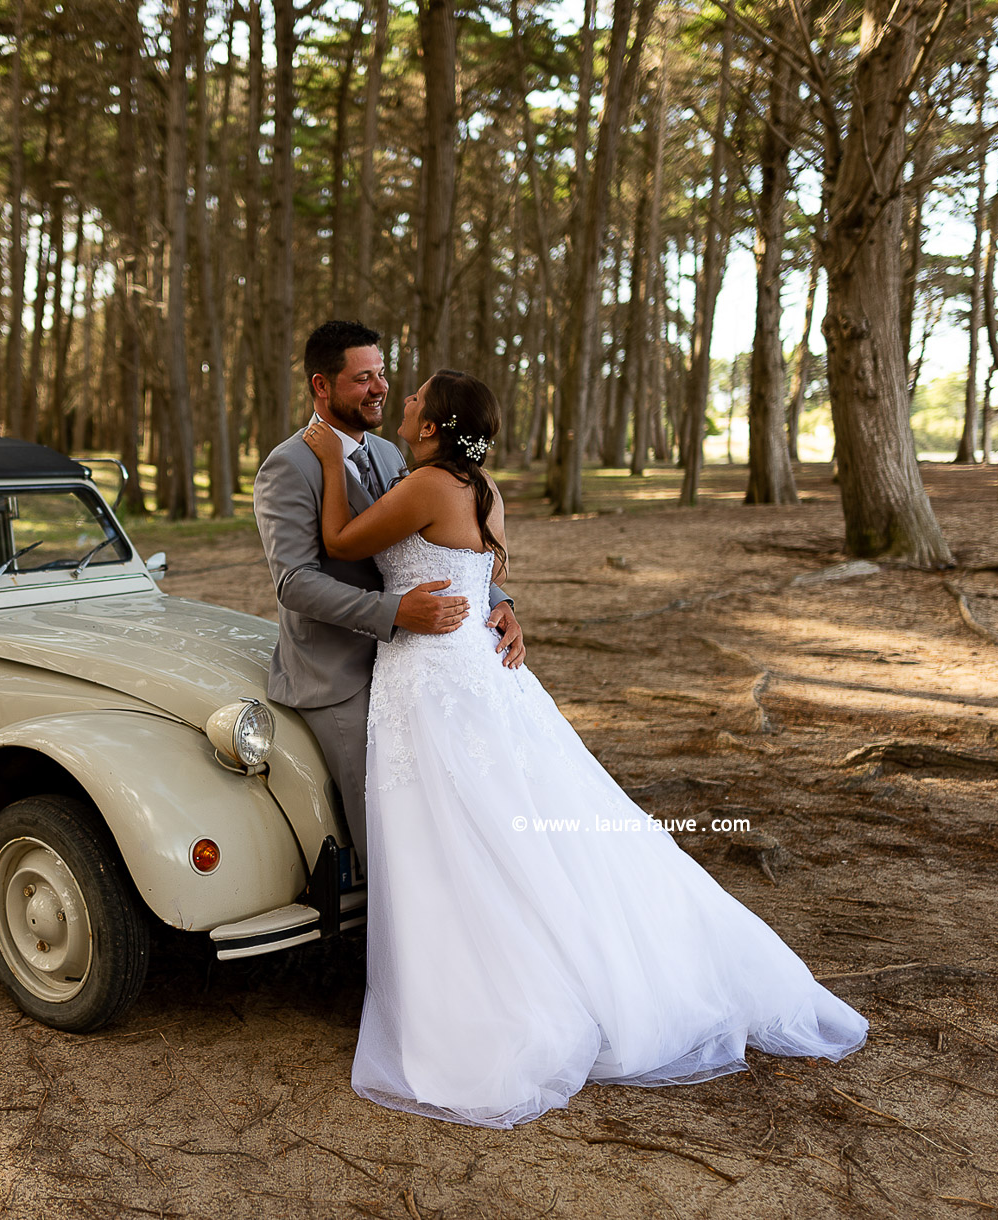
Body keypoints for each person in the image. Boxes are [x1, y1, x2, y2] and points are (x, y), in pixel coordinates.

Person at [299, 368, 868, 1129]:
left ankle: (499, 1002)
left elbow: (338, 539)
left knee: (457, 838)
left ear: (435, 425)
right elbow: (479, 573)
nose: (402, 400)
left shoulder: (429, 485)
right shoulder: (481, 489)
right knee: (504, 827)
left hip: (432, 680)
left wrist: (331, 460)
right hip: (474, 673)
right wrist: (504, 610)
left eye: (415, 399)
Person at [253, 321, 523, 874]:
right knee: (389, 828)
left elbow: (435, 541)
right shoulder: (288, 465)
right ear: (322, 386)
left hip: (419, 662)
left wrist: (499, 601)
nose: (380, 388)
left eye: (382, 374)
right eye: (362, 379)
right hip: (339, 671)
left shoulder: (392, 453)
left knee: (459, 803)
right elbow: (295, 582)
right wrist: (395, 612)